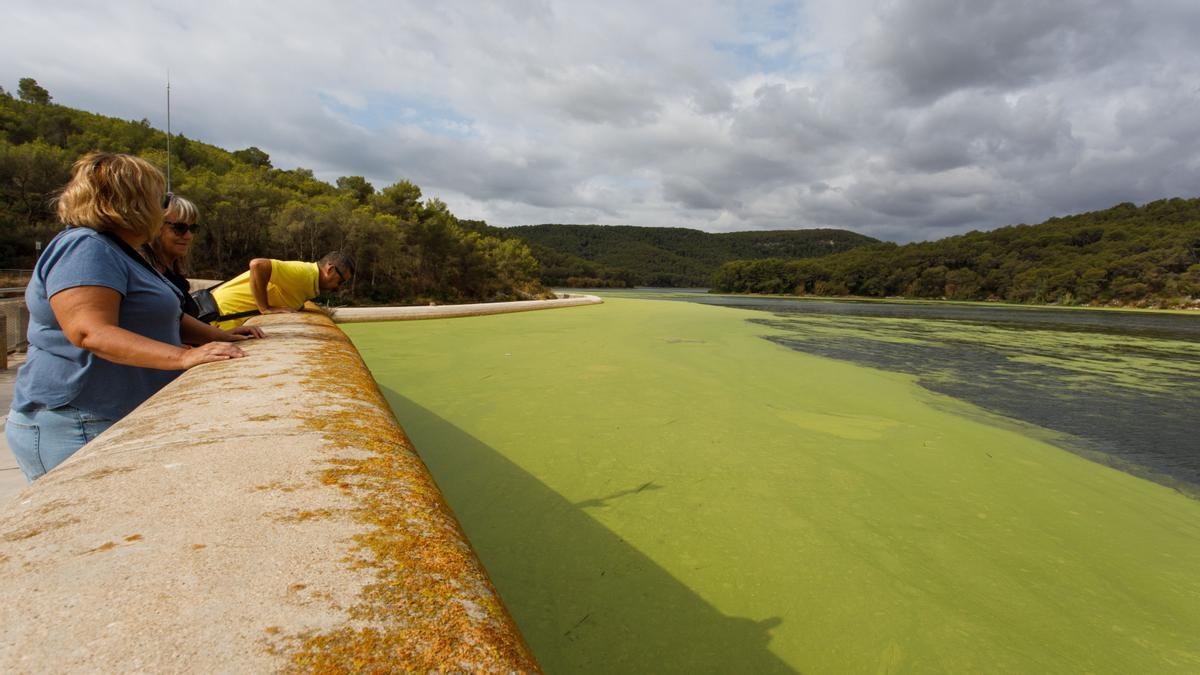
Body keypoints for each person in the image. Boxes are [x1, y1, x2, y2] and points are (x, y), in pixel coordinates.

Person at [6, 153, 247, 482]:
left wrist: (223, 337)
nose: (163, 210)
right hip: (78, 420)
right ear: (134, 201)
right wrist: (183, 356)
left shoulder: (120, 250)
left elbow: (163, 317)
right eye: (160, 199)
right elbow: (89, 331)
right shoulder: (85, 247)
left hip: (108, 415)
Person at [147, 193, 265, 341]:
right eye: (180, 228)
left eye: (193, 228)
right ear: (155, 226)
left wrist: (226, 334)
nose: (189, 236)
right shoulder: (147, 272)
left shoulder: (172, 272)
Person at [209, 251, 354, 329]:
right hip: (218, 316)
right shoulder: (304, 273)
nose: (338, 288)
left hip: (220, 315)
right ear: (330, 269)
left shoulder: (310, 280)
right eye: (340, 281)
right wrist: (265, 308)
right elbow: (258, 265)